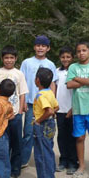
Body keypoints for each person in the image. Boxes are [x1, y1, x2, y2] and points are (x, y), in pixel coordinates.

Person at [66, 40, 89, 178]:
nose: (81, 53)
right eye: (79, 51)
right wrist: (85, 79)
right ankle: (81, 166)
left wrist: (76, 78)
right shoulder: (73, 67)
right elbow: (69, 85)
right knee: (80, 138)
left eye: (84, 50)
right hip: (78, 108)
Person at [20, 35, 58, 168]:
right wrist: (23, 101)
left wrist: (53, 103)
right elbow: (22, 83)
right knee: (29, 132)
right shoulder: (26, 63)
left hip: (46, 105)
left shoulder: (50, 64)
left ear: (48, 48)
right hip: (31, 103)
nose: (40, 48)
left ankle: (45, 159)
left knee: (45, 132)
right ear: (34, 47)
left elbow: (53, 84)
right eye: (38, 45)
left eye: (43, 46)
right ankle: (23, 160)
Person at [0, 45, 29, 178]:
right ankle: (4, 167)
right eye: (6, 58)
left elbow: (22, 93)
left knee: (16, 143)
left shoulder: (19, 73)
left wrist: (19, 111)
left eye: (11, 58)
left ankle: (15, 169)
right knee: (3, 143)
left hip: (15, 114)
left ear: (16, 59)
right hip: (1, 116)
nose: (9, 60)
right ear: (2, 59)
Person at [33, 67, 59, 178]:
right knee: (48, 151)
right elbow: (56, 107)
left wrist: (38, 121)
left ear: (37, 80)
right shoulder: (50, 93)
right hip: (50, 124)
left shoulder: (41, 95)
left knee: (42, 155)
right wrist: (50, 116)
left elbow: (49, 110)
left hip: (42, 125)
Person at [55, 46, 78, 175]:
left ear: (72, 58)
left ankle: (73, 162)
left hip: (73, 109)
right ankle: (63, 160)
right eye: (63, 57)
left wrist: (73, 107)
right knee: (61, 136)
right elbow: (55, 88)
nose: (65, 59)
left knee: (73, 136)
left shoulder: (76, 72)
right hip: (60, 109)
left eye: (68, 57)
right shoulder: (56, 72)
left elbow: (78, 91)